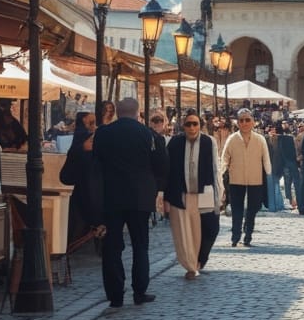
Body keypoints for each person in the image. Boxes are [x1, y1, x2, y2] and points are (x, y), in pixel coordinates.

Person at [93, 97, 166, 307]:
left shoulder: (104, 133)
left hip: (112, 196)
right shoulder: (146, 134)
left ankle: (115, 294)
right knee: (140, 245)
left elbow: (96, 164)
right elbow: (161, 165)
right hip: (140, 197)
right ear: (138, 112)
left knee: (112, 247)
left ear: (117, 112)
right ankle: (139, 291)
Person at [164, 112, 222, 278]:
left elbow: (215, 167)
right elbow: (167, 171)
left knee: (210, 227)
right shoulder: (174, 142)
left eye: (195, 124)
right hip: (181, 194)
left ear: (200, 125)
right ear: (184, 126)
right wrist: (166, 196)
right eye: (188, 124)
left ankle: (200, 260)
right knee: (185, 232)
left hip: (204, 192)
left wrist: (219, 194)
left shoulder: (208, 141)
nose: (191, 127)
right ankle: (191, 265)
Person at [221, 109, 271, 247]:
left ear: (253, 122)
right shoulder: (232, 139)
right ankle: (235, 235)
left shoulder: (260, 139)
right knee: (236, 208)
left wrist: (268, 171)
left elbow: (265, 157)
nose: (244, 123)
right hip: (236, 178)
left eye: (247, 120)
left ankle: (248, 233)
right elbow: (225, 157)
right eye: (241, 120)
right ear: (237, 123)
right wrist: (221, 171)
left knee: (253, 207)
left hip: (255, 179)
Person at [60, 110, 105, 243]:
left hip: (83, 184)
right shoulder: (83, 135)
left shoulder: (82, 135)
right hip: (87, 184)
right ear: (84, 119)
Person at [275, 122, 300, 209]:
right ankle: (298, 200)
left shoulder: (277, 139)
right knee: (296, 182)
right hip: (292, 162)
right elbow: (294, 150)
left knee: (287, 183)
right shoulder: (290, 138)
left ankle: (290, 200)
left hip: (284, 163)